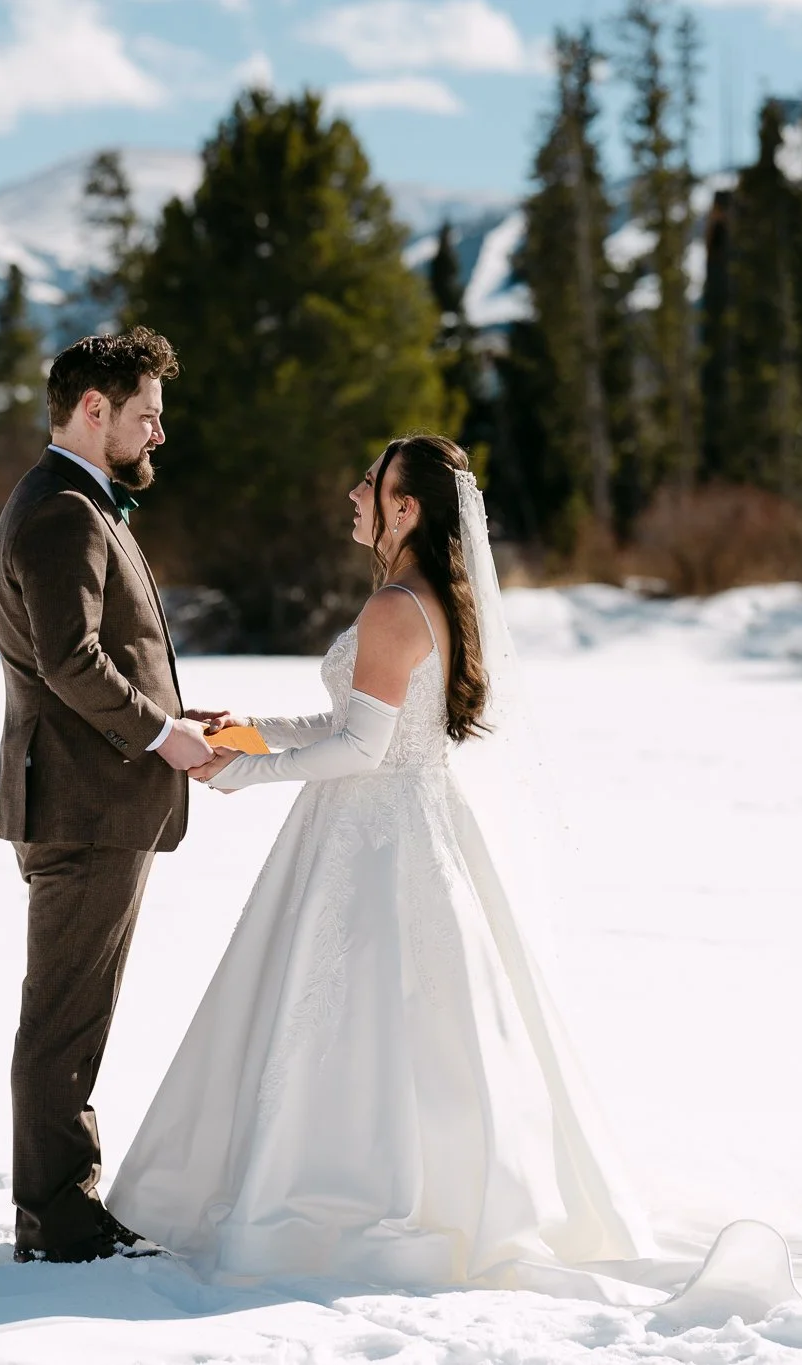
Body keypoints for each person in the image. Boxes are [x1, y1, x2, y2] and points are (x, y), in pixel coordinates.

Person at [107, 434, 661, 1297]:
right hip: (409, 820)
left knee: (356, 1014)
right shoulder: (424, 597)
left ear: (407, 509)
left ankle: (344, 1199)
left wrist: (242, 772)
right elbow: (354, 727)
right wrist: (245, 731)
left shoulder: (396, 607)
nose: (354, 494)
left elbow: (362, 750)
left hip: (375, 835)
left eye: (372, 484)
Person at [0, 327, 229, 1265]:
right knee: (64, 1018)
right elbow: (69, 659)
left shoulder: (81, 502)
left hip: (93, 800)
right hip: (84, 809)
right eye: (146, 416)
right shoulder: (63, 512)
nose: (158, 434)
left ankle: (60, 1207)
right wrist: (163, 735)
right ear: (96, 411)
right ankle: (59, 1220)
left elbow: (100, 658)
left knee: (72, 1010)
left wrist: (176, 709)